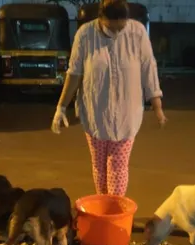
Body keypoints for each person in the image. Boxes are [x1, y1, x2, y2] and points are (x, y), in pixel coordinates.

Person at [51, 0, 167, 197]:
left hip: (126, 114)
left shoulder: (137, 32)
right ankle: (102, 208)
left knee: (118, 168)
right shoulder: (86, 34)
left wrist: (157, 106)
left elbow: (149, 67)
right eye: (110, 28)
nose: (116, 33)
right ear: (101, 18)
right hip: (94, 112)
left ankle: (114, 212)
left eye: (120, 27)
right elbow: (74, 73)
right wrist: (60, 108)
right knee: (99, 166)